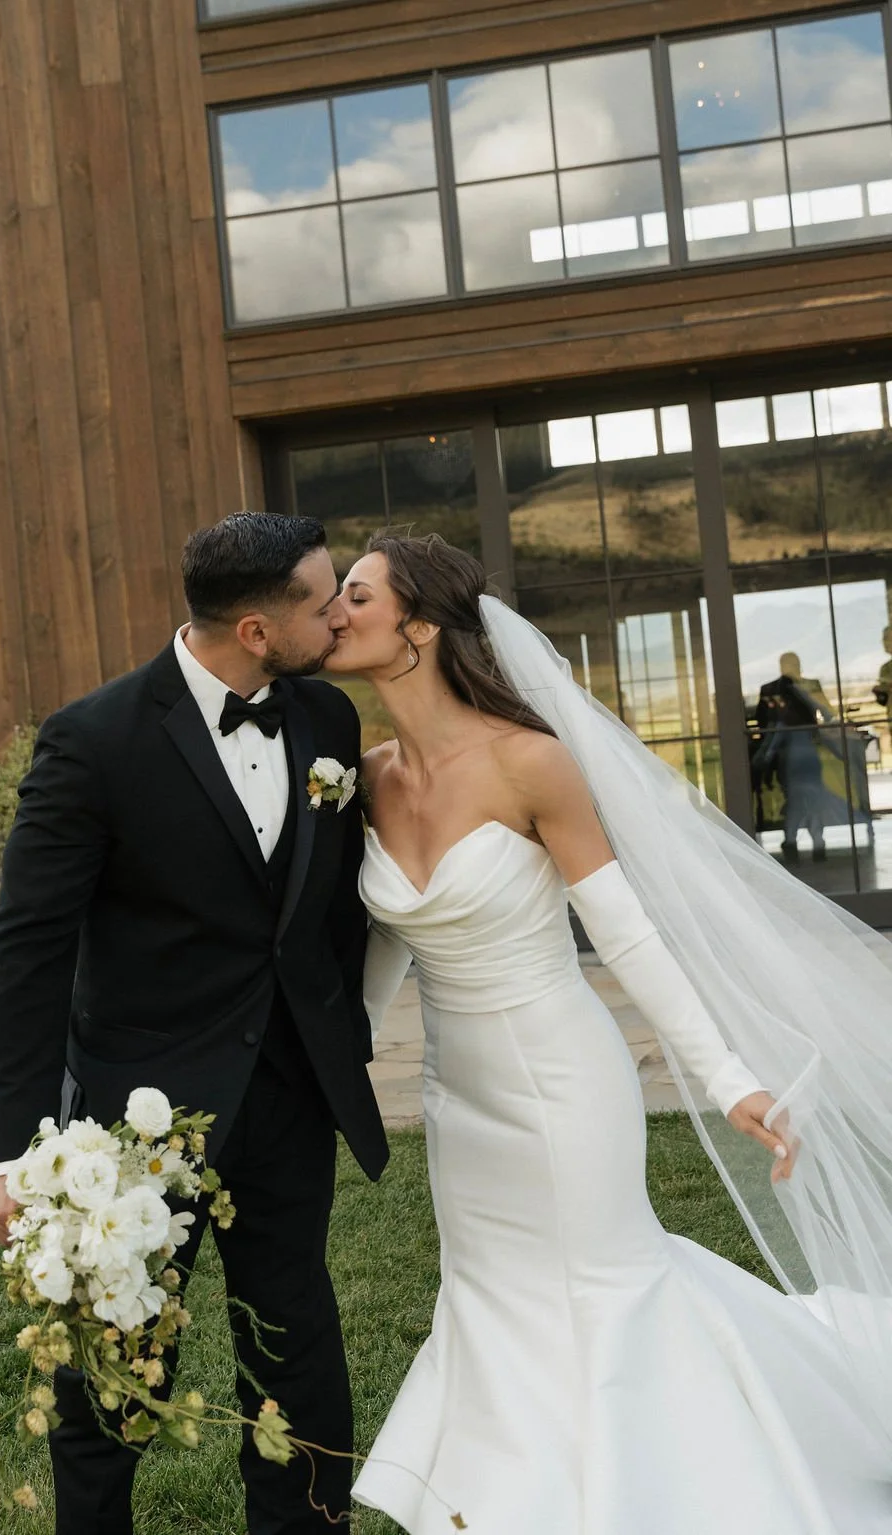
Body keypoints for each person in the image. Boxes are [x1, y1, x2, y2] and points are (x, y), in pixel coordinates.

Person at [324, 531, 892, 1535]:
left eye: (356, 595)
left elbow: (628, 935)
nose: (334, 611)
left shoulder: (529, 761)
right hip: (461, 1100)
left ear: (415, 625)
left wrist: (729, 1079)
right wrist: (336, 1060)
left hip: (562, 1079)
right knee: (490, 1293)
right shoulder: (365, 778)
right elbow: (387, 944)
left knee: (607, 1284)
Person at [0, 512, 388, 1535]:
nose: (340, 613)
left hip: (291, 1093)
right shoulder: (94, 740)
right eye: (323, 598)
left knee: (296, 1342)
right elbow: (27, 954)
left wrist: (339, 1042)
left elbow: (330, 912)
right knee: (114, 1363)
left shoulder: (329, 721)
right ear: (255, 628)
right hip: (137, 1115)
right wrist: (12, 1154)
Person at [754, 652, 835, 859]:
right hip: (789, 754)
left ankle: (801, 841)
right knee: (799, 798)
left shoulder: (807, 687)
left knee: (802, 798)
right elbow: (764, 722)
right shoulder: (771, 689)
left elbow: (827, 713)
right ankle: (804, 841)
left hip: (801, 751)